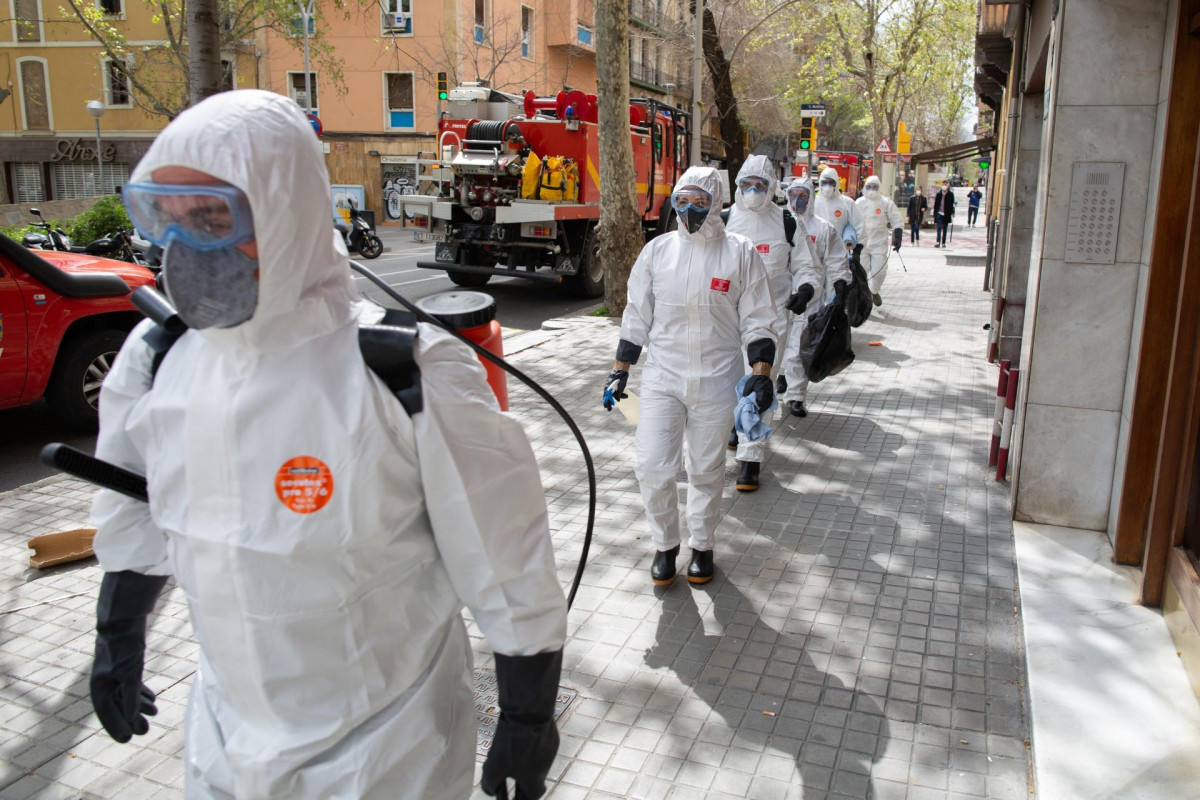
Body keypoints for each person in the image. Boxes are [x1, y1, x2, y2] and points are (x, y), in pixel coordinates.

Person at [88, 90, 567, 800]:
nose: (186, 249)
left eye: (214, 218)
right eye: (172, 219)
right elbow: (133, 512)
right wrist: (117, 634)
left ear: (285, 211)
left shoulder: (407, 374)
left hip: (387, 750)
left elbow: (507, 558)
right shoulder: (158, 363)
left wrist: (528, 717)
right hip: (226, 740)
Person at [605, 166, 777, 586]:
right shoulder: (657, 252)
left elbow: (758, 319)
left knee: (705, 469)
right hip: (663, 377)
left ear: (716, 202)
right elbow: (636, 316)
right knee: (652, 466)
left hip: (718, 379)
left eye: (699, 202)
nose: (689, 210)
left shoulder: (740, 252)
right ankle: (665, 545)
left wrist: (761, 372)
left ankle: (702, 546)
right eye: (682, 201)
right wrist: (619, 371)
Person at [724, 155, 794, 492]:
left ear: (771, 188)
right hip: (729, 320)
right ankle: (734, 427)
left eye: (760, 185)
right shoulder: (723, 221)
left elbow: (808, 265)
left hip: (771, 321)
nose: (753, 191)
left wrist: (806, 288)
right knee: (729, 383)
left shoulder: (787, 223)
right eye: (746, 184)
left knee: (759, 384)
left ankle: (749, 460)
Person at [780, 177, 851, 418]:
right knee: (778, 343)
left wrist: (839, 290)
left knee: (798, 348)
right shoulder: (779, 223)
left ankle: (796, 396)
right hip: (778, 296)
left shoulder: (823, 228)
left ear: (811, 198)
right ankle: (781, 379)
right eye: (793, 195)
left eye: (803, 195)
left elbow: (836, 261)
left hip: (810, 298)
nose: (797, 200)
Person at [854, 175, 905, 307]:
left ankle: (874, 291)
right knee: (861, 272)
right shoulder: (859, 203)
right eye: (869, 187)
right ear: (865, 188)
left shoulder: (885, 203)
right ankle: (863, 298)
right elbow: (851, 220)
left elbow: (896, 219)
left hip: (879, 243)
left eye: (875, 187)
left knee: (879, 272)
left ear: (879, 188)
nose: (872, 189)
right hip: (862, 244)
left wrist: (898, 236)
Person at [813, 166, 864, 247]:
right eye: (824, 182)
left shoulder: (847, 203)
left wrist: (858, 248)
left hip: (839, 249)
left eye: (831, 183)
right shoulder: (813, 202)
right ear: (820, 183)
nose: (827, 186)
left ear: (836, 183)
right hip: (816, 248)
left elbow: (858, 225)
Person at [933, 180, 956, 248]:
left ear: (948, 185)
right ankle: (938, 241)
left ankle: (943, 242)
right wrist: (934, 214)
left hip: (946, 214)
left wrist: (953, 212)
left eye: (945, 185)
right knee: (939, 227)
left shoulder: (950, 194)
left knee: (945, 229)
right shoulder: (939, 194)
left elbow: (952, 204)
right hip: (939, 213)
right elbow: (936, 205)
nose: (944, 186)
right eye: (943, 184)